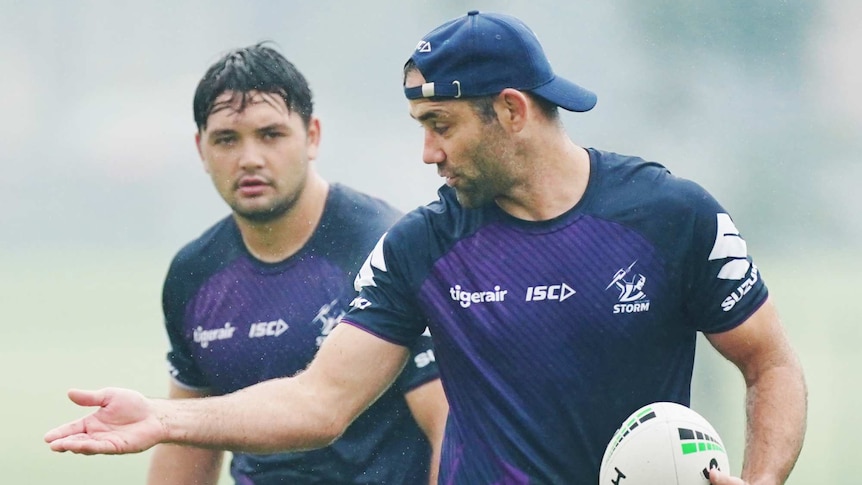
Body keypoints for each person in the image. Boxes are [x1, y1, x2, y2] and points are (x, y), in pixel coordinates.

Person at [45, 12, 806, 485]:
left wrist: (763, 477)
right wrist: (163, 416)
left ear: (510, 111)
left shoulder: (668, 215)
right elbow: (318, 402)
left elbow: (769, 361)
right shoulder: (422, 247)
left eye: (441, 125)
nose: (427, 154)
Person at [143, 43, 447, 485]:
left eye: (271, 134)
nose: (250, 158)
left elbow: (450, 427)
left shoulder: (385, 249)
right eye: (227, 139)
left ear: (313, 136)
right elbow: (189, 436)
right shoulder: (195, 273)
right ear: (200, 149)